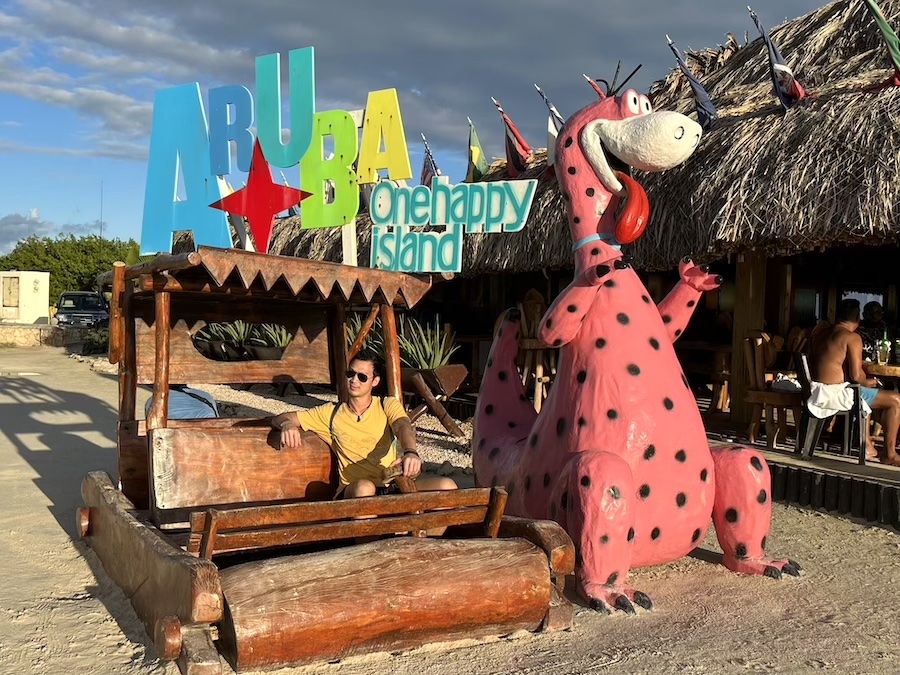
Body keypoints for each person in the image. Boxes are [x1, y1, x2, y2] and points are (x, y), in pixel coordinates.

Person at [271, 351, 457, 498]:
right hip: (355, 490)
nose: (354, 380)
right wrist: (287, 424)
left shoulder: (386, 404)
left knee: (447, 486)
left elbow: (402, 425)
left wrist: (410, 451)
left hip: (391, 486)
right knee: (365, 488)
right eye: (350, 374)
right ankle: (371, 545)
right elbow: (279, 417)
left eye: (362, 377)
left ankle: (423, 545)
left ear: (375, 381)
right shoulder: (331, 413)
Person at [808, 298, 900, 466]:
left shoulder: (821, 333)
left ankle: (866, 444)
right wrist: (869, 382)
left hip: (816, 391)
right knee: (895, 399)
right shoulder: (852, 338)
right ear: (858, 317)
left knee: (869, 394)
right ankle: (890, 454)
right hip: (836, 393)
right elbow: (857, 376)